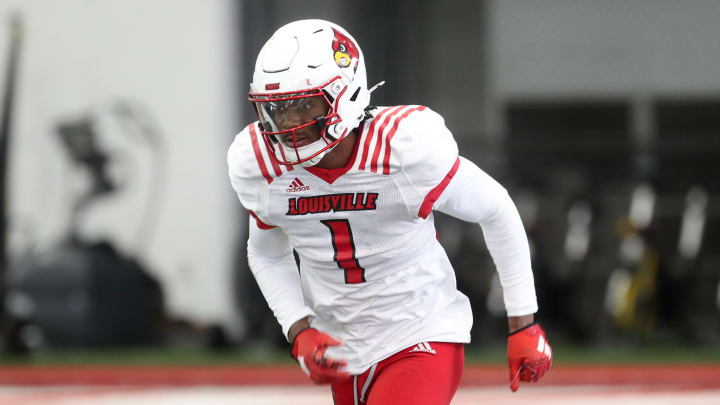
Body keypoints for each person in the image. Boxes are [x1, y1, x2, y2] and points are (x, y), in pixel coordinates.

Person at [227, 19, 552, 405]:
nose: (288, 124)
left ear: (344, 95)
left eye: (303, 106)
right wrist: (299, 330)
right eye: (277, 110)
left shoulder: (403, 148)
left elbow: (496, 209)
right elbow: (265, 252)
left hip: (419, 329)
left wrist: (523, 322)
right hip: (342, 346)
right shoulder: (259, 162)